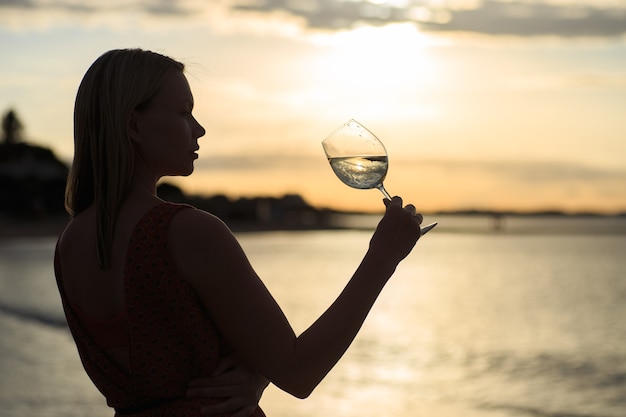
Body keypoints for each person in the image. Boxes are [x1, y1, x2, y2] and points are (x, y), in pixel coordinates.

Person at [54, 48, 424, 417]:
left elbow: (162, 356)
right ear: (133, 125)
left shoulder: (70, 243)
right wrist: (382, 257)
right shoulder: (185, 231)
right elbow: (299, 374)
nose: (198, 128)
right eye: (184, 112)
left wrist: (257, 372)